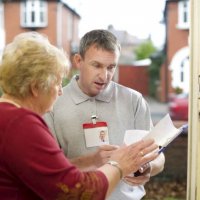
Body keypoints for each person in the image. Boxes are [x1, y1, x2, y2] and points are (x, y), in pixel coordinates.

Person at [0, 32, 159, 200]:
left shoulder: (8, 117)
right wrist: (119, 165)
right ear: (35, 87)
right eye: (57, 83)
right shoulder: (22, 125)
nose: (61, 91)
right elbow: (78, 191)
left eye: (111, 67)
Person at [44, 29, 165, 200]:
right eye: (97, 65)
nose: (104, 76)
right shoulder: (53, 104)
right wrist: (92, 161)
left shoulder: (134, 100)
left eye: (111, 67)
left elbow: (158, 156)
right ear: (78, 60)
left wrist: (149, 167)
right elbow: (47, 171)